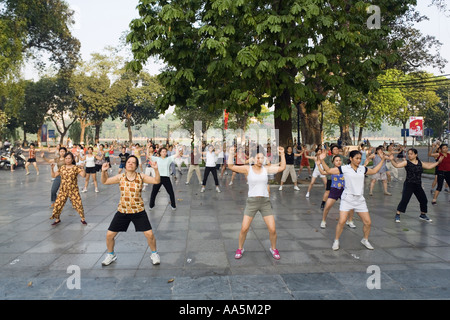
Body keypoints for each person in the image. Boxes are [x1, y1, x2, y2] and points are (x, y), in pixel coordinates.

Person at [319, 148, 387, 251]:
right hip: (347, 199)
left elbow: (374, 170)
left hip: (360, 200)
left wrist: (383, 160)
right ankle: (336, 241)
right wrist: (322, 160)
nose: (359, 160)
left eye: (360, 158)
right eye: (357, 158)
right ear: (351, 158)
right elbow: (328, 171)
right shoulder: (344, 168)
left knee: (368, 222)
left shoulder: (362, 169)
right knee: (341, 221)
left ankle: (365, 240)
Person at [100, 155, 161, 266]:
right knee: (109, 235)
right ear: (125, 164)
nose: (130, 163)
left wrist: (156, 169)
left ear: (136, 166)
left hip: (138, 211)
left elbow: (157, 181)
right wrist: (103, 172)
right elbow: (105, 181)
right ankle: (111, 254)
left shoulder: (141, 176)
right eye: (129, 162)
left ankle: (154, 254)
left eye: (133, 162)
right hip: (123, 211)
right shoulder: (120, 177)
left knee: (150, 235)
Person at [228, 146, 286, 260]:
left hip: (265, 202)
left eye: (262, 158)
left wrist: (282, 154)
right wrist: (230, 154)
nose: (260, 160)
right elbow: (231, 166)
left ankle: (273, 249)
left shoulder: (266, 169)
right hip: (252, 202)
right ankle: (240, 248)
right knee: (244, 229)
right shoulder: (247, 169)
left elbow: (282, 167)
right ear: (254, 159)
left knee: (272, 229)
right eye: (258, 158)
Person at [389, 149, 443, 223]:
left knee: (423, 200)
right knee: (405, 200)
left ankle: (423, 214)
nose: (409, 155)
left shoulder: (420, 163)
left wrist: (438, 162)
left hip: (418, 184)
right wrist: (392, 160)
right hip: (409, 184)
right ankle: (398, 214)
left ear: (416, 155)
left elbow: (429, 167)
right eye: (408, 154)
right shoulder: (406, 162)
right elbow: (397, 165)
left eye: (411, 154)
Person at [316, 155, 355, 229]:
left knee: (351, 207)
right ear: (333, 162)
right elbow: (323, 173)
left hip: (344, 190)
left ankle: (350, 221)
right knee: (327, 206)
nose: (338, 162)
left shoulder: (345, 169)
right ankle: (323, 221)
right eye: (336, 160)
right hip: (334, 190)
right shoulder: (332, 170)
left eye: (340, 160)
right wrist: (318, 164)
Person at [49, 152, 87, 226]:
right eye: (66, 158)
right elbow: (54, 175)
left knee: (78, 204)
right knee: (58, 204)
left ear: (72, 159)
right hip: (63, 190)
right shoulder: (62, 168)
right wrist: (52, 169)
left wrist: (82, 168)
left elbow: (83, 175)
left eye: (69, 158)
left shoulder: (75, 168)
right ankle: (57, 219)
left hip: (73, 190)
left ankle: (82, 219)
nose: (67, 160)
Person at [149, 146, 180, 211]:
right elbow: (149, 156)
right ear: (160, 153)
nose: (164, 153)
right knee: (154, 192)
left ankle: (173, 206)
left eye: (165, 152)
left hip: (166, 178)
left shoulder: (168, 159)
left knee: (171, 192)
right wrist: (147, 148)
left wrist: (177, 147)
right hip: (158, 177)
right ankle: (151, 206)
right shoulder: (157, 159)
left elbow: (177, 154)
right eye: (163, 152)